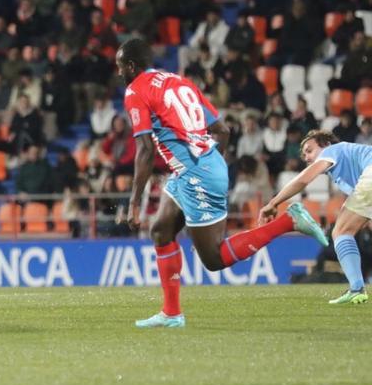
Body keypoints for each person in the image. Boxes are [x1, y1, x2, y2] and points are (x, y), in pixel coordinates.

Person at [116, 38, 328, 328]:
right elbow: (223, 130)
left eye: (120, 67)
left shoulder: (135, 90)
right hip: (197, 167)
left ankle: (288, 222)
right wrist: (210, 165)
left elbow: (145, 149)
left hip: (196, 173)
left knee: (214, 259)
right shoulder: (179, 81)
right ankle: (172, 313)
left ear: (130, 66)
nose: (118, 74)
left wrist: (133, 203)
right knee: (161, 230)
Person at [260, 131, 372, 304]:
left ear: (326, 144)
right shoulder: (349, 166)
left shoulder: (332, 150)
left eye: (309, 150)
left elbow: (303, 180)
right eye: (304, 154)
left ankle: (357, 288)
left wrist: (273, 203)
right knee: (344, 229)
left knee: (341, 231)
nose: (306, 157)